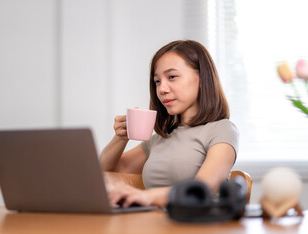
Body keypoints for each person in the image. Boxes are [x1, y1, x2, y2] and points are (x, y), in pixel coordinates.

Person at [100, 40, 239, 208]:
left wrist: (147, 197)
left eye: (172, 77)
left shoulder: (222, 130)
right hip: (156, 228)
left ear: (202, 78)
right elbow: (106, 172)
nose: (161, 89)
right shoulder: (159, 139)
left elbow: (203, 188)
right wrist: (120, 138)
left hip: (200, 228)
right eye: (157, 81)